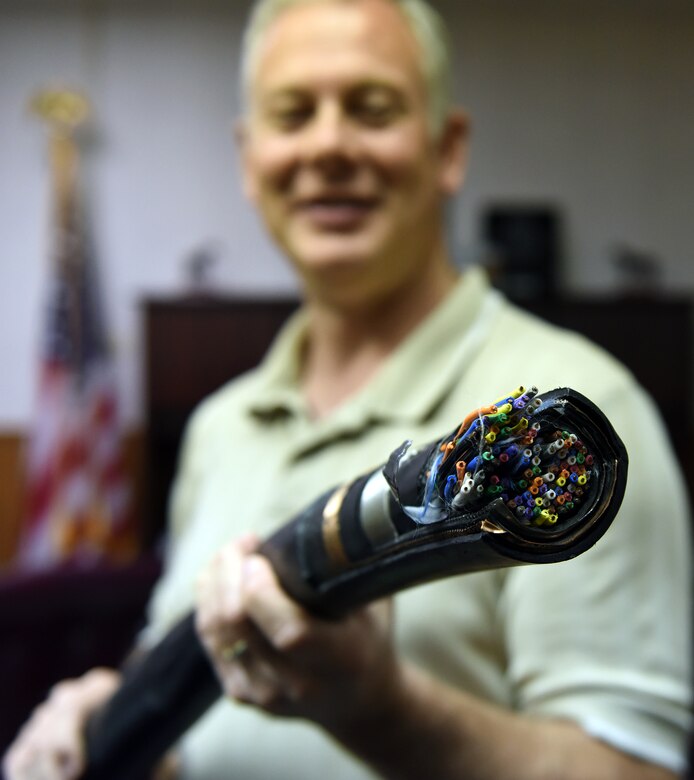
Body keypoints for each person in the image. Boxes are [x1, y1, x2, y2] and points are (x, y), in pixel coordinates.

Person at [4, 0, 691, 778]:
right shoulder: (218, 427)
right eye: (293, 114)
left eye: (373, 109)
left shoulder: (576, 422)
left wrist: (378, 708)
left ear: (448, 148)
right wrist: (113, 725)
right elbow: (206, 716)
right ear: (249, 157)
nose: (329, 145)